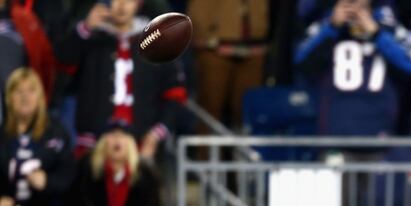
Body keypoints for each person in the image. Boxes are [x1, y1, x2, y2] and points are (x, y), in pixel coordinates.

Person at [55, 0, 186, 156]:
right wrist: (85, 29)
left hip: (141, 145)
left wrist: (156, 134)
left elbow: (175, 93)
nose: (122, 4)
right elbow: (61, 62)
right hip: (93, 144)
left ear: (138, 4)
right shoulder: (90, 37)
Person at [295, 0, 411, 138]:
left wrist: (376, 33)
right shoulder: (322, 25)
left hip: (382, 135)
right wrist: (332, 27)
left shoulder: (390, 26)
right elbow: (302, 63)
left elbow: (410, 68)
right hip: (334, 135)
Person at [0, 67, 74, 206]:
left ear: (40, 97)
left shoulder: (57, 133)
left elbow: (70, 177)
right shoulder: (2, 135)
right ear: (9, 98)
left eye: (31, 91)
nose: (25, 97)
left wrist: (48, 182)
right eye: (18, 92)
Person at [188, 0, 270, 130]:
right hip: (213, 45)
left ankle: (245, 149)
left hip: (255, 45)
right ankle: (206, 150)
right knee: (210, 111)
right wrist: (206, 35)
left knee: (249, 112)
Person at [66, 121, 161, 206]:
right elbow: (75, 205)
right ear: (103, 143)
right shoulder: (86, 171)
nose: (117, 140)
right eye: (112, 135)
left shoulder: (146, 177)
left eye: (122, 136)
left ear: (131, 144)